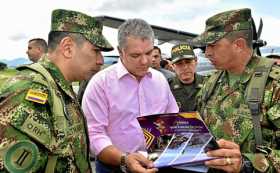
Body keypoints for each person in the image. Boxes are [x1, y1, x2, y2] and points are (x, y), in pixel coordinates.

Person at [0, 9, 113, 172]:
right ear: (68, 48)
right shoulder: (31, 91)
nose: (100, 60)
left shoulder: (60, 87)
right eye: (96, 51)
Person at [82, 18, 179, 173]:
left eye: (149, 53)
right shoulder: (101, 84)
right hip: (114, 167)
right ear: (120, 51)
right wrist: (124, 159)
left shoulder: (160, 80)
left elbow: (173, 120)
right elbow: (94, 134)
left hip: (158, 163)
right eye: (135, 55)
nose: (145, 61)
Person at [190, 8, 280, 172]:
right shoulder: (212, 81)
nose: (207, 53)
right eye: (206, 46)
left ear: (238, 45)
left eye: (213, 45)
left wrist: (247, 164)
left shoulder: (274, 85)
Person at [169, 44, 205, 112]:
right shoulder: (167, 87)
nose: (185, 67)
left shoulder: (209, 84)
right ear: (172, 66)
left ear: (196, 61)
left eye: (188, 62)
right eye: (179, 63)